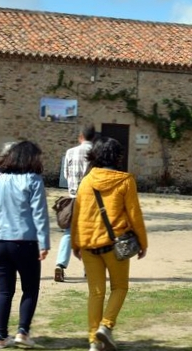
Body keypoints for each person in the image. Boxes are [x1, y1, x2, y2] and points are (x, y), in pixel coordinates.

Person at [71, 137, 148, 351]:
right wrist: (142, 242)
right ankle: (106, 326)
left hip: (88, 245)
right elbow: (135, 214)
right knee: (120, 287)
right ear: (118, 157)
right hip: (115, 245)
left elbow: (77, 214)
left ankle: (93, 342)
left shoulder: (86, 181)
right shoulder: (125, 180)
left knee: (96, 293)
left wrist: (75, 243)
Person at [0, 140, 51, 349]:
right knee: (30, 288)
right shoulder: (33, 180)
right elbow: (40, 213)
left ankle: (0, 336)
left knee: (4, 291)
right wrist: (44, 242)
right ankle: (23, 331)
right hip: (24, 241)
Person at [56, 123, 96, 282]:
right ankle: (88, 268)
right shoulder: (96, 154)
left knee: (68, 233)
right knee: (90, 234)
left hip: (73, 198)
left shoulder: (70, 152)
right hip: (91, 199)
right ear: (94, 137)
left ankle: (60, 264)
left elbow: (66, 175)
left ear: (80, 137)